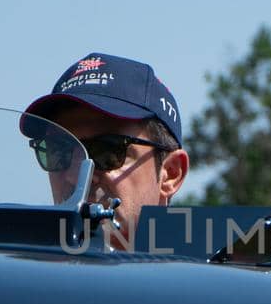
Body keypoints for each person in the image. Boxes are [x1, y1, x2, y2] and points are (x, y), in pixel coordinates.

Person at [19, 51, 189, 250]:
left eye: (107, 150)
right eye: (59, 151)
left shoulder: (213, 277)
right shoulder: (17, 276)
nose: (74, 177)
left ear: (171, 173)